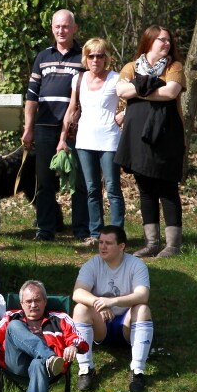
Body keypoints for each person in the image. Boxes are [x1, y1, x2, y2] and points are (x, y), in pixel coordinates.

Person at [115, 26, 186, 258]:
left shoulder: (174, 67)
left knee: (167, 188)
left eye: (168, 40)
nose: (166, 43)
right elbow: (121, 90)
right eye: (161, 40)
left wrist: (139, 88)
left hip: (166, 135)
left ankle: (173, 245)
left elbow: (171, 92)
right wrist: (150, 85)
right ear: (149, 42)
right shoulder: (131, 66)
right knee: (145, 189)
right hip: (137, 136)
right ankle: (151, 243)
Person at [22, 9, 89, 241]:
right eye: (57, 26)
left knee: (79, 181)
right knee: (44, 181)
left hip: (76, 129)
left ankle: (81, 229)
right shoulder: (42, 57)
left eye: (66, 26)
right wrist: (28, 128)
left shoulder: (84, 57)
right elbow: (32, 96)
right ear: (52, 28)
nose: (61, 30)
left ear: (74, 28)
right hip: (44, 127)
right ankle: (46, 229)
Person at [57, 38, 125, 246]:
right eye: (91, 56)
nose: (95, 60)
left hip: (110, 140)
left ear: (106, 58)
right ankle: (96, 235)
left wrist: (124, 114)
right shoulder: (78, 79)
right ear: (85, 58)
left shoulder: (116, 79)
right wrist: (62, 138)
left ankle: (116, 236)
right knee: (91, 189)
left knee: (112, 189)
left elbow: (135, 100)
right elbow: (71, 109)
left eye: (100, 55)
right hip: (84, 141)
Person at [71, 225, 152, 392]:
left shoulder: (136, 264)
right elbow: (77, 292)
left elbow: (143, 295)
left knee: (143, 309)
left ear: (121, 246)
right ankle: (85, 369)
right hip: (101, 325)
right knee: (80, 309)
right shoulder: (92, 264)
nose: (102, 247)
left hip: (127, 324)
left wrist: (113, 301)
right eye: (100, 242)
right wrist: (98, 302)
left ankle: (137, 371)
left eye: (108, 243)